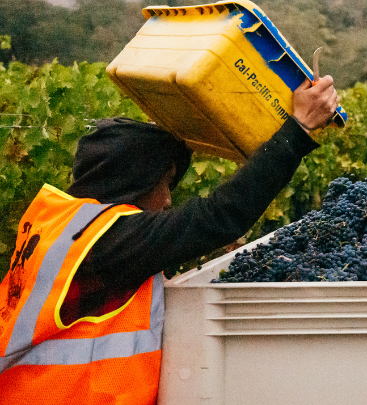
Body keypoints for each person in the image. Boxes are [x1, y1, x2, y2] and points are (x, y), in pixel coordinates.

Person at [0, 76, 340, 404]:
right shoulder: (113, 242)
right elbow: (221, 216)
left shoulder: (60, 221)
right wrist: (298, 128)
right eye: (164, 183)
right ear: (133, 184)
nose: (166, 200)